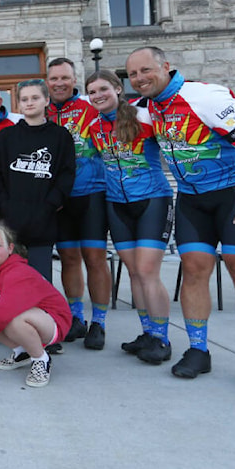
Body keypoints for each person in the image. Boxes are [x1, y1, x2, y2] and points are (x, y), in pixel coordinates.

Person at [126, 46, 235, 393]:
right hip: (192, 199)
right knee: (193, 271)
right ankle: (198, 350)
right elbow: (107, 119)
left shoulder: (204, 96)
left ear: (165, 66)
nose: (139, 79)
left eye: (146, 70)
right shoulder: (147, 109)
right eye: (133, 75)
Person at [86, 70, 174, 360]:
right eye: (92, 91)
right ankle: (147, 332)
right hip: (116, 203)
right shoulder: (94, 127)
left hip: (152, 199)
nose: (98, 95)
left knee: (148, 271)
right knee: (135, 273)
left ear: (117, 89)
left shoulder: (143, 116)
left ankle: (162, 339)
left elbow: (174, 143)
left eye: (103, 89)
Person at [0, 221, 71, 388]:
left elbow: (6, 311)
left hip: (53, 322)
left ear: (10, 248)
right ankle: (22, 352)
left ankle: (41, 359)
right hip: (19, 317)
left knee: (12, 319)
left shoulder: (19, 271)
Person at [46, 57, 113, 348]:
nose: (59, 83)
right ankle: (76, 318)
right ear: (47, 82)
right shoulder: (42, 110)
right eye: (54, 79)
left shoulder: (90, 105)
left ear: (74, 80)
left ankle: (99, 322)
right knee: (69, 259)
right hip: (60, 199)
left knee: (95, 259)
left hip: (92, 192)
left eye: (65, 78)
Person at [0, 79, 75, 283]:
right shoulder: (5, 137)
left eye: (35, 98)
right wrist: (4, 205)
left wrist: (51, 204)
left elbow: (66, 174)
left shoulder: (60, 136)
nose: (29, 103)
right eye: (24, 99)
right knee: (9, 280)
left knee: (40, 281)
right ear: (18, 103)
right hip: (10, 221)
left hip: (43, 221)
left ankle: (42, 315)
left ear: (46, 100)